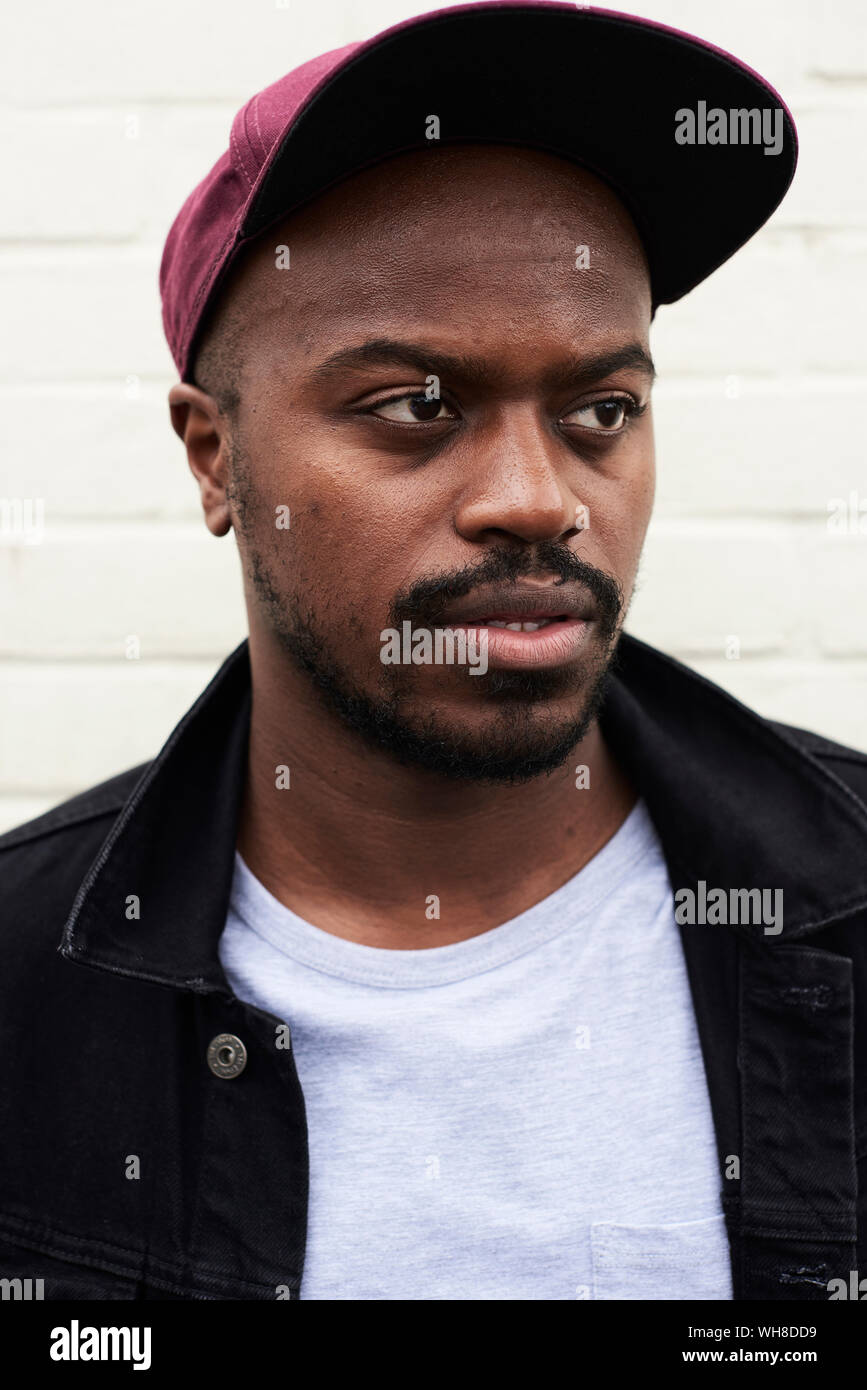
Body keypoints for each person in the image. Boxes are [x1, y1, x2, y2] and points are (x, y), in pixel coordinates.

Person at [2, 2, 865, 1302]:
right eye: (417, 404)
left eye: (602, 408)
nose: (537, 499)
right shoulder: (25, 984)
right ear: (216, 457)